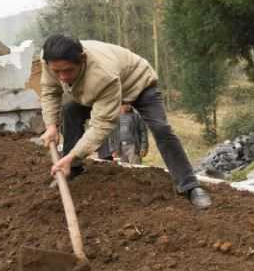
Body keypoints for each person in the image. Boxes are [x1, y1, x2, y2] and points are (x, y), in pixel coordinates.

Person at [39, 35, 211, 209]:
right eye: (57, 72)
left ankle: (190, 186)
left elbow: (102, 125)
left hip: (138, 84)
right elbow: (49, 90)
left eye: (68, 71)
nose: (62, 77)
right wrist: (51, 125)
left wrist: (73, 153)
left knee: (161, 129)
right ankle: (72, 169)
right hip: (99, 91)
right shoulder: (49, 60)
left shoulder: (103, 74)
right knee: (70, 111)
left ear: (82, 60)